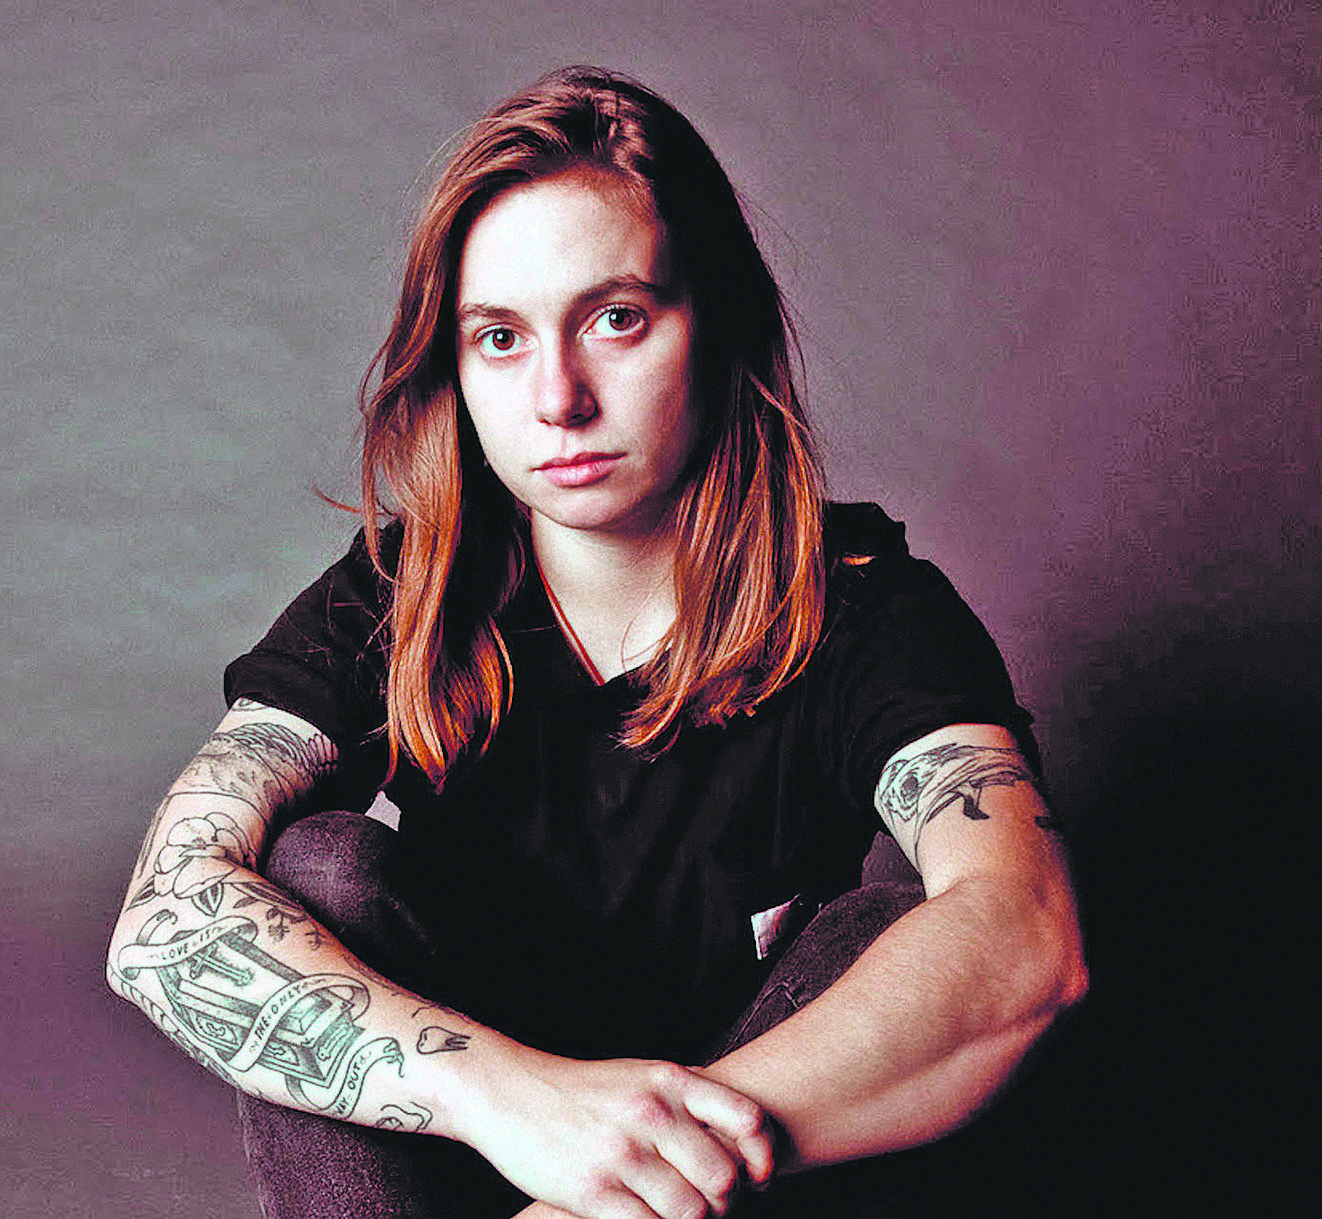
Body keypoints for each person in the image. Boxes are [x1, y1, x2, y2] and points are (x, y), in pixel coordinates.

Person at [106, 66, 1085, 1219]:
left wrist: (612, 1181)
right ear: (455, 369)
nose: (559, 397)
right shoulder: (401, 593)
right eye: (500, 338)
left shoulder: (866, 608)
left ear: (716, 325)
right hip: (461, 1160)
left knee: (892, 932)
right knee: (315, 870)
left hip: (731, 1177)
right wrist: (516, 1104)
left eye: (616, 319)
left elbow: (1026, 934)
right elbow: (161, 919)